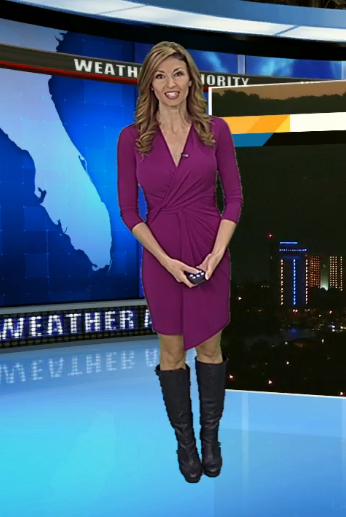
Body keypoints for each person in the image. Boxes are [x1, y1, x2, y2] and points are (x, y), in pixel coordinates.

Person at [117, 41, 243, 483]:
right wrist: (167, 262)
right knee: (172, 354)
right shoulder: (132, 138)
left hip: (210, 253)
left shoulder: (215, 130)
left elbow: (234, 199)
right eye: (159, 75)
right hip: (161, 258)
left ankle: (211, 439)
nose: (170, 83)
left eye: (177, 73)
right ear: (149, 85)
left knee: (210, 348)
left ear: (191, 79)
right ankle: (185, 443)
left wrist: (217, 254)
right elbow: (129, 211)